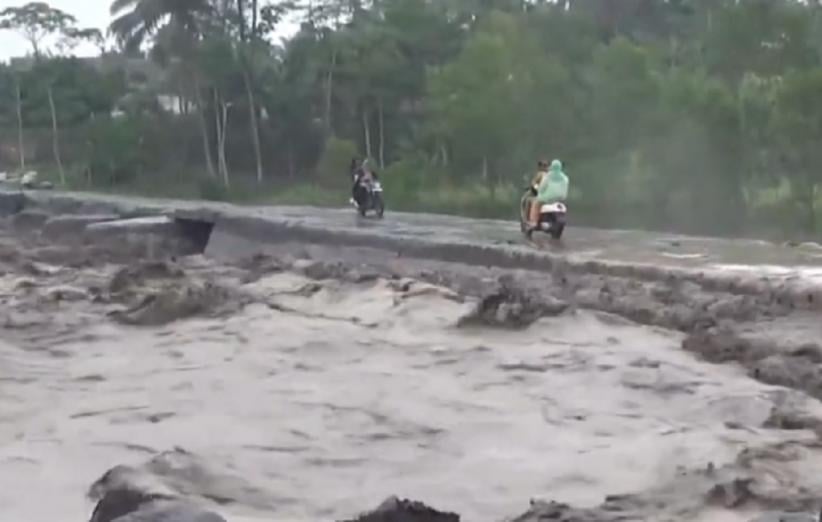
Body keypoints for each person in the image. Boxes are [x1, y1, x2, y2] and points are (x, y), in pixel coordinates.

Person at [529, 158, 568, 228]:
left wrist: (539, 191)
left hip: (547, 199)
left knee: (535, 204)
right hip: (560, 199)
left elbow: (541, 188)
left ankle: (533, 222)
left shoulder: (547, 176)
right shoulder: (564, 177)